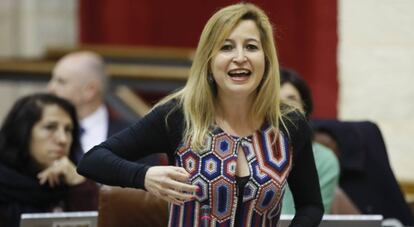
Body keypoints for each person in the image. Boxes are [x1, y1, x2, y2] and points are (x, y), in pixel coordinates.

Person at [77, 3, 323, 227]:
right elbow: (92, 160)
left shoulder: (288, 123)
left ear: (267, 59)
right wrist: (144, 176)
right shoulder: (178, 115)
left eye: (251, 47)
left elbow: (311, 205)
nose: (240, 58)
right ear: (209, 60)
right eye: (226, 47)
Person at [0, 93, 98, 227]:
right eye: (50, 127)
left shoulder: (76, 184)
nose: (63, 139)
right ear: (22, 132)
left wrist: (79, 183)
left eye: (68, 130)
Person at [279, 68, 340, 214]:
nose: (283, 110)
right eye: (274, 101)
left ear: (305, 109)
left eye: (291, 100)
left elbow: (311, 215)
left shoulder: (324, 159)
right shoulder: (246, 148)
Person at [48, 51, 130, 153]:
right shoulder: (41, 129)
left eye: (61, 82)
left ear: (90, 91)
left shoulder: (129, 135)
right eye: (52, 79)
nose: (50, 88)